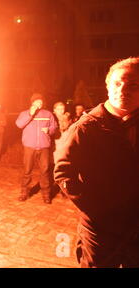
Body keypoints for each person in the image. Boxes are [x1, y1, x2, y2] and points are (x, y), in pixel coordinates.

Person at [54, 57, 139, 268]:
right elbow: (63, 173)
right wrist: (94, 209)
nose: (124, 90)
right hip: (100, 228)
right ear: (108, 86)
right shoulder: (86, 128)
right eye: (118, 83)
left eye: (133, 85)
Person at [15, 93, 57, 204]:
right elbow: (19, 124)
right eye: (37, 101)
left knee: (45, 171)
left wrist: (49, 130)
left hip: (44, 147)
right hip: (30, 146)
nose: (39, 103)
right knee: (27, 171)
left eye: (41, 101)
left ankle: (46, 195)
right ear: (32, 102)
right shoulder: (24, 113)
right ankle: (24, 193)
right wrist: (30, 114)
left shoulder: (48, 114)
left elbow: (54, 126)